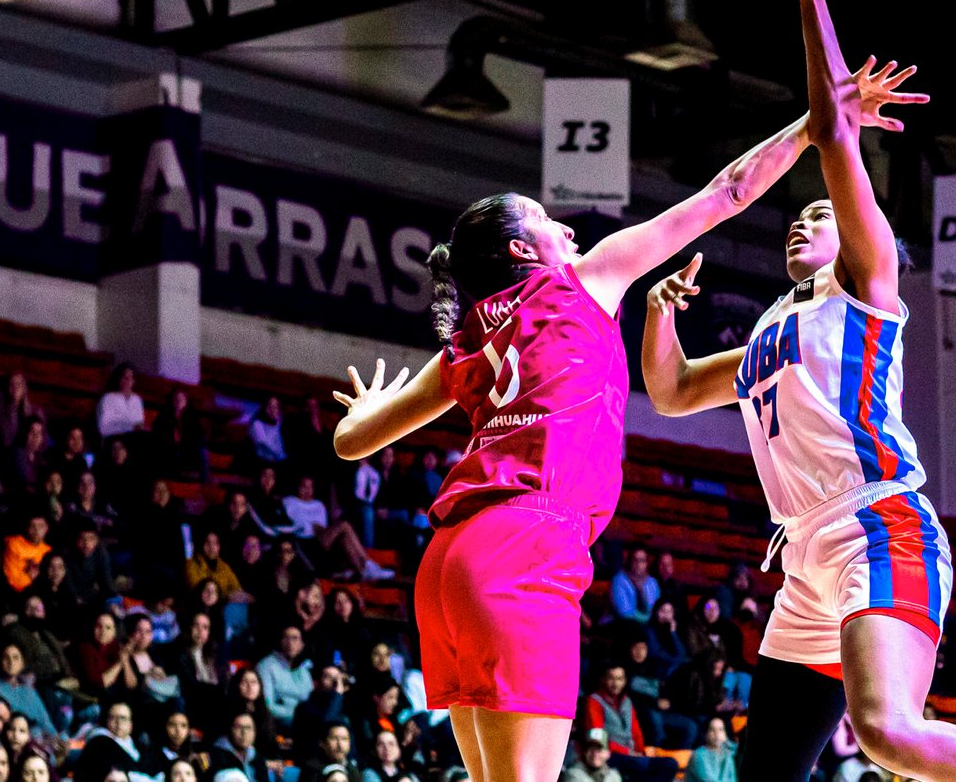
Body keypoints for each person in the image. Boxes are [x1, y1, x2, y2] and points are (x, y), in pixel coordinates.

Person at [641, 0, 956, 782]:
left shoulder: (868, 288)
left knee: (889, 734)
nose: (803, 222)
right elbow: (668, 392)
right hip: (805, 556)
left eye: (822, 213)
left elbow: (831, 132)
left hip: (877, 524)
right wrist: (659, 311)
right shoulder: (766, 335)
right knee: (766, 772)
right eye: (802, 216)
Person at [329, 93, 836, 781]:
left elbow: (351, 442)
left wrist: (363, 408)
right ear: (521, 249)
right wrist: (812, 128)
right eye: (546, 222)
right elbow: (729, 191)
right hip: (525, 544)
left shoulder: (467, 339)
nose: (566, 230)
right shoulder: (581, 280)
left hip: (448, 562)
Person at [256, 625, 314, 732]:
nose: (290, 643)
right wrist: (299, 714)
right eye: (286, 638)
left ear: (302, 645)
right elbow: (267, 705)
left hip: (304, 719)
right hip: (279, 721)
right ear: (280, 641)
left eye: (295, 638)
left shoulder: (303, 668)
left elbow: (309, 699)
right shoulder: (266, 665)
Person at [608, 546, 659, 626]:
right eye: (635, 560)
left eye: (642, 560)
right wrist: (649, 619)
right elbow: (625, 612)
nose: (638, 564)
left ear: (647, 563)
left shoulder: (652, 582)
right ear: (630, 561)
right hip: (623, 625)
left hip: (650, 625)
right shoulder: (619, 580)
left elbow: (657, 607)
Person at [98, 365, 145, 439]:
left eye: (130, 378)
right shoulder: (108, 399)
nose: (127, 381)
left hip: (133, 441)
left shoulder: (137, 400)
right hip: (113, 440)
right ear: (119, 379)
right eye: (125, 378)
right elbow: (103, 429)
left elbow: (139, 425)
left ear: (134, 381)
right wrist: (130, 428)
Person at [687, 717, 739, 782]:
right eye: (712, 730)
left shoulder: (727, 753)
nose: (717, 734)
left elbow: (732, 779)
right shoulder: (698, 755)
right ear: (705, 734)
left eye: (721, 729)